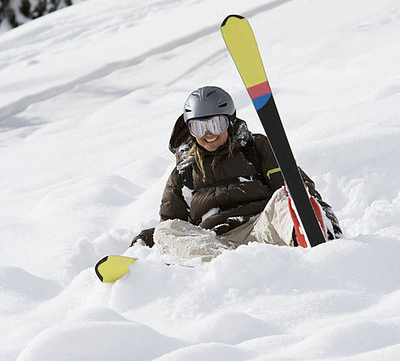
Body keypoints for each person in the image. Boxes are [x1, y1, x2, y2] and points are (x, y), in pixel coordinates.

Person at [131, 86, 342, 261]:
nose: (208, 134)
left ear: (230, 122)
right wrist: (150, 238)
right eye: (198, 127)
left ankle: (311, 235)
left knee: (286, 196)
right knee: (165, 230)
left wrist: (322, 214)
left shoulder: (254, 148)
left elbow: (296, 186)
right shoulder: (184, 172)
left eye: (216, 124)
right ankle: (227, 263)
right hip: (213, 242)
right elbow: (174, 223)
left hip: (263, 228)